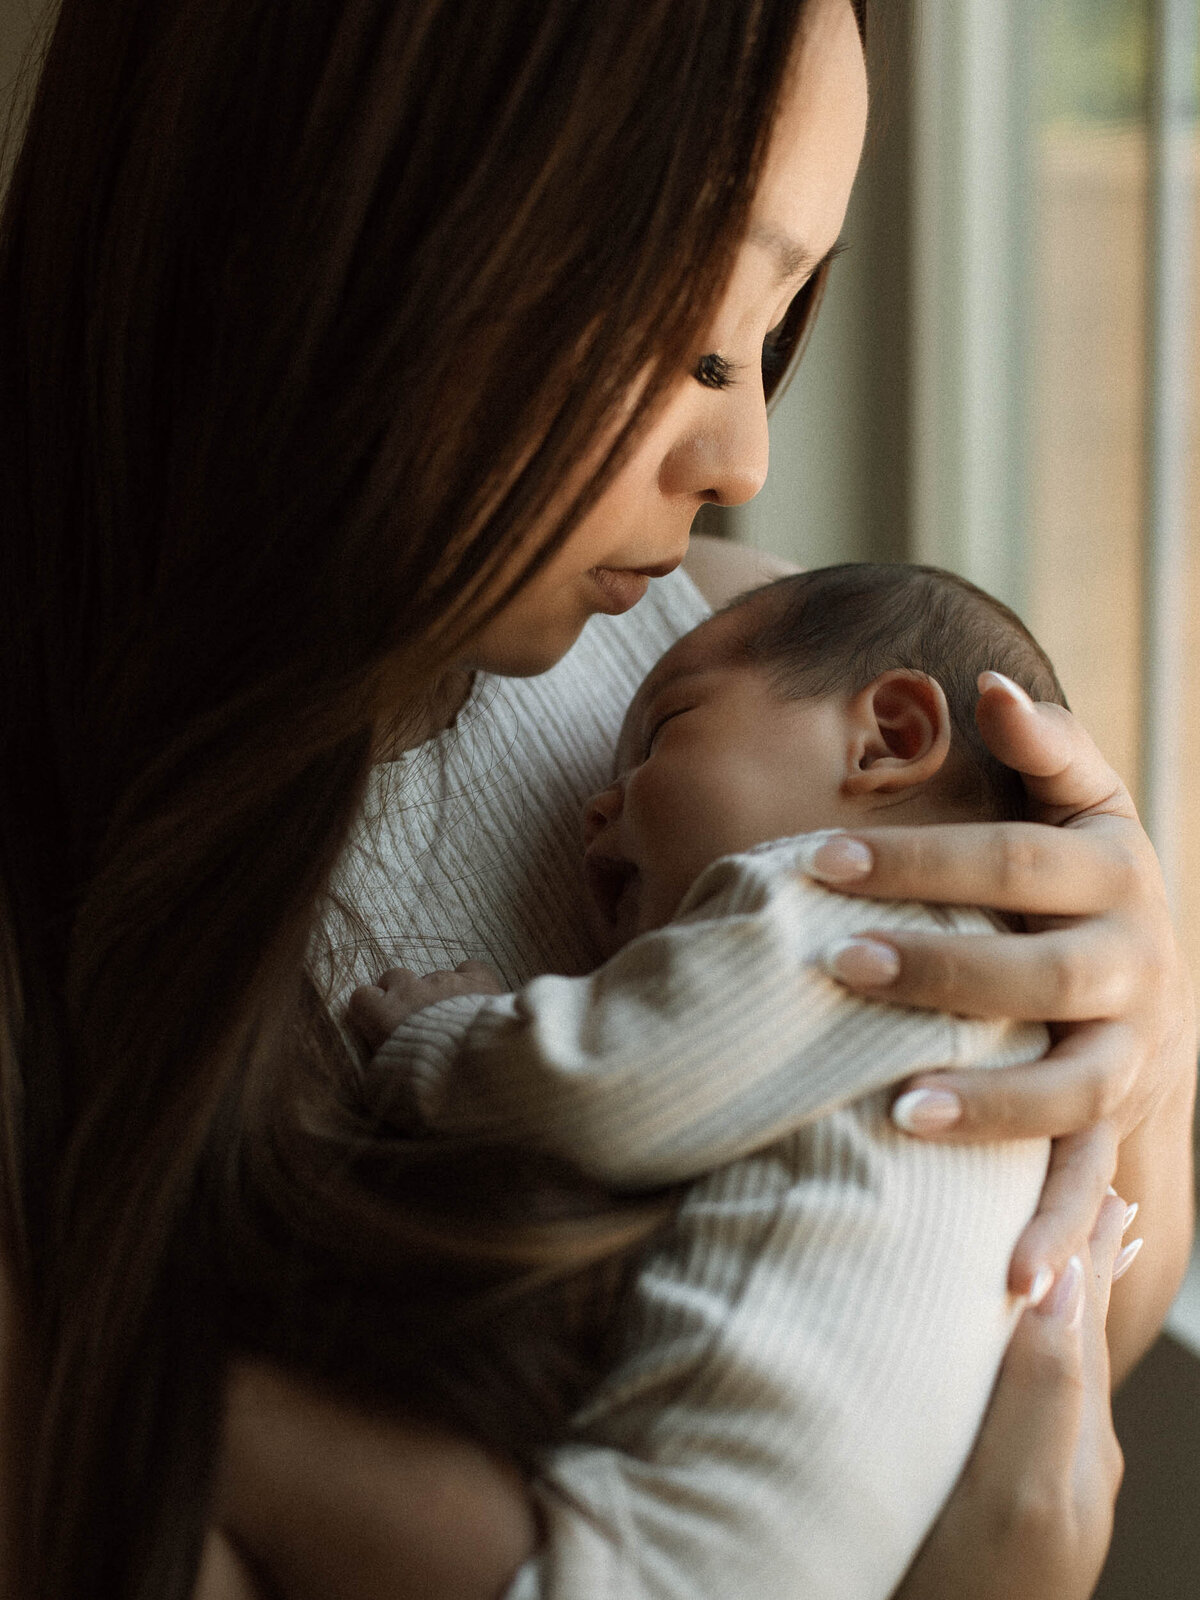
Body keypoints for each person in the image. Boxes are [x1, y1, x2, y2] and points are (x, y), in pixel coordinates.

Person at [0, 2, 1191, 1599]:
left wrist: (1136, 1022)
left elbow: (1033, 1324)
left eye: (771, 339)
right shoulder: (74, 939)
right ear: (359, 231)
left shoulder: (727, 647)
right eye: (692, 341)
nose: (747, 451)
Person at [344, 563, 1144, 1599]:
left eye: (662, 733)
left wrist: (436, 1035)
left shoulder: (849, 906)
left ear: (889, 739)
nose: (599, 804)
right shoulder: (1019, 1019)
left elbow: (603, 1085)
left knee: (204, 1432)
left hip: (650, 1550)